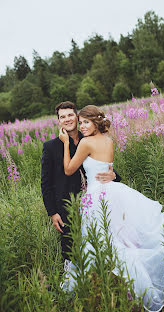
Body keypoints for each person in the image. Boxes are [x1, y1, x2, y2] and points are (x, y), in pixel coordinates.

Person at [59, 105, 164, 312]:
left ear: (96, 122)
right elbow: (108, 170)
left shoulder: (85, 142)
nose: (82, 126)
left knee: (101, 241)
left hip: (97, 197)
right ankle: (128, 283)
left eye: (86, 122)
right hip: (114, 193)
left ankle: (107, 285)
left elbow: (68, 169)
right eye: (80, 122)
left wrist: (65, 144)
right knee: (122, 239)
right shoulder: (109, 141)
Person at [41, 101, 121, 260]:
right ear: (59, 121)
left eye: (70, 115)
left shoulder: (90, 138)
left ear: (77, 117)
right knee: (72, 252)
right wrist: (52, 212)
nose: (67, 119)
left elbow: (103, 167)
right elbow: (46, 183)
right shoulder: (50, 147)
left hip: (95, 203)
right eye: (62, 117)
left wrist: (114, 176)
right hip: (67, 206)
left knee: (102, 245)